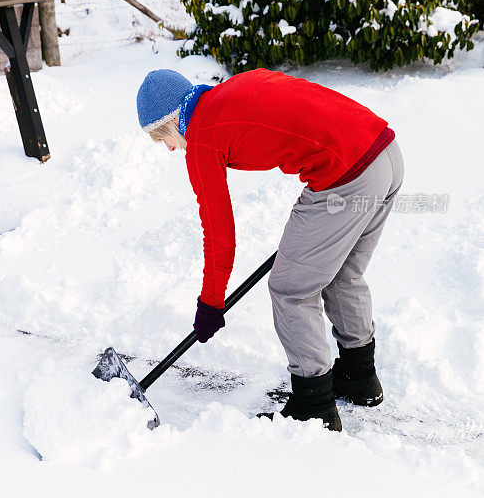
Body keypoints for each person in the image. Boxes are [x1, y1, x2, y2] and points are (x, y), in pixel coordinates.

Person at [136, 67, 404, 431]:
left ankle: (314, 404)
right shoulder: (227, 93)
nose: (168, 148)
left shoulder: (201, 137)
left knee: (291, 288)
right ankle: (359, 376)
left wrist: (211, 303)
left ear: (171, 122)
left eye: (162, 138)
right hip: (384, 152)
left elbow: (219, 233)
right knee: (342, 273)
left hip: (347, 175)